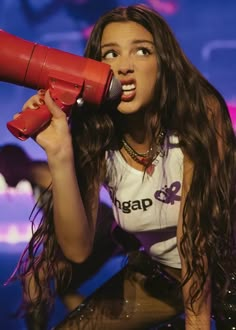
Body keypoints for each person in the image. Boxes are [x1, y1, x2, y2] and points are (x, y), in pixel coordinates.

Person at [9, 3, 236, 330]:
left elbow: (196, 236)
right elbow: (77, 249)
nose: (124, 66)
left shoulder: (199, 113)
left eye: (142, 51)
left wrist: (196, 324)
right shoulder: (96, 136)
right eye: (110, 54)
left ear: (164, 64)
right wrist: (59, 153)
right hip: (164, 277)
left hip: (224, 271)